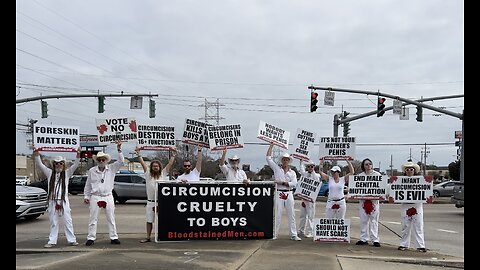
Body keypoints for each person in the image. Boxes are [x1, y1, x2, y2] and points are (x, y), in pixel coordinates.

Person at [33, 147, 81, 248]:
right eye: (56, 163)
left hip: (63, 200)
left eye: (60, 163)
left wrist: (78, 154)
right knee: (53, 222)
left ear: (63, 165)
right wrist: (37, 153)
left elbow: (76, 164)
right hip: (52, 200)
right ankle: (52, 241)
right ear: (53, 164)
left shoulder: (67, 173)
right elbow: (40, 164)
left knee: (68, 221)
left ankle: (71, 240)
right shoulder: (50, 173)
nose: (58, 165)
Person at [83, 141, 124, 246]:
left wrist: (119, 149)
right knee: (93, 218)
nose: (101, 161)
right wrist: (86, 196)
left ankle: (114, 237)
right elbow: (88, 185)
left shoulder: (111, 169)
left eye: (103, 159)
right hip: (95, 196)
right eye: (99, 159)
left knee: (111, 218)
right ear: (97, 160)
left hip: (108, 196)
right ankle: (91, 237)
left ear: (106, 161)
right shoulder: (92, 171)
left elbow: (121, 162)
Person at [135, 147, 176, 243]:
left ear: (159, 167)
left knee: (162, 220)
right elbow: (143, 164)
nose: (155, 168)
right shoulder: (147, 174)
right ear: (151, 167)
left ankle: (162, 236)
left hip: (161, 202)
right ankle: (148, 237)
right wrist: (138, 154)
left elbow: (170, 164)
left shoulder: (163, 174)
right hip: (150, 202)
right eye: (154, 166)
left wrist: (173, 155)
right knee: (149, 221)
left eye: (157, 166)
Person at [266, 142, 301, 241]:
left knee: (291, 214)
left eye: (287, 160)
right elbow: (268, 158)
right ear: (282, 161)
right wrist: (271, 145)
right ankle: (274, 234)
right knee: (277, 214)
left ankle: (293, 234)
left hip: (288, 193)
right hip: (279, 192)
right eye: (284, 159)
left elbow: (294, 183)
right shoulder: (277, 169)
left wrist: (283, 182)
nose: (285, 161)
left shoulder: (292, 172)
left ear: (289, 161)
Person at [397, 160, 427, 252]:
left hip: (417, 205)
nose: (409, 171)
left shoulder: (421, 181)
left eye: (411, 169)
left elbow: (426, 191)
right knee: (405, 226)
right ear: (405, 171)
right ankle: (404, 244)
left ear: (414, 171)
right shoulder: (400, 181)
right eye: (407, 169)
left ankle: (420, 245)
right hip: (405, 205)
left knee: (418, 226)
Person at [355, 158, 382, 247]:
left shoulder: (377, 175)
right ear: (363, 166)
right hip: (363, 202)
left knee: (374, 221)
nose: (368, 166)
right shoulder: (360, 176)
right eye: (366, 164)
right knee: (363, 221)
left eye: (370, 164)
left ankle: (375, 239)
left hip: (374, 202)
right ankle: (363, 239)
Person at [297, 160, 319, 238]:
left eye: (311, 166)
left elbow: (316, 188)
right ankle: (301, 230)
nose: (310, 168)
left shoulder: (316, 176)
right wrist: (301, 161)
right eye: (308, 166)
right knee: (302, 215)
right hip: (303, 198)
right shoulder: (305, 174)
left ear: (314, 167)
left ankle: (310, 231)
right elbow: (301, 168)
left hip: (311, 199)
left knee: (310, 216)